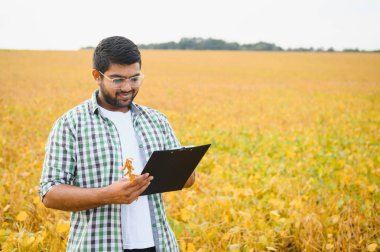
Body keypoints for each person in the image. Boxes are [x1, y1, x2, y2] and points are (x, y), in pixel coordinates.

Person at [39, 36, 195, 252]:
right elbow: (50, 193)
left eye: (135, 78)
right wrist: (106, 195)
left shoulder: (157, 120)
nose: (127, 87)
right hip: (99, 246)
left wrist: (186, 172)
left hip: (159, 245)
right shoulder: (70, 125)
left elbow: (186, 179)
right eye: (117, 79)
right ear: (97, 76)